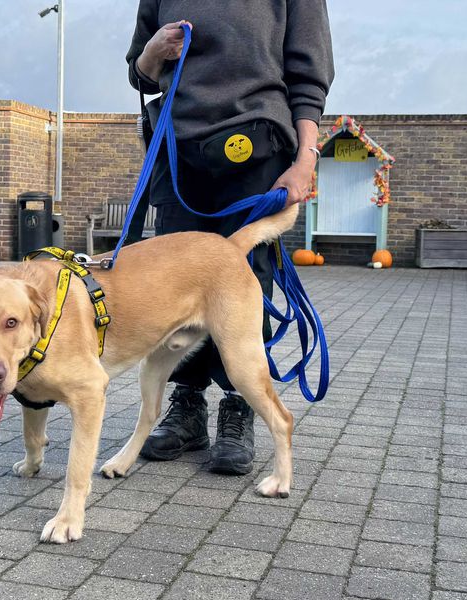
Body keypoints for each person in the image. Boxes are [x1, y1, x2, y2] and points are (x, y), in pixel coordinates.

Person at [126, 1, 334, 474]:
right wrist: (151, 55)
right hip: (177, 150)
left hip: (256, 144)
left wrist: (305, 159)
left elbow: (308, 78)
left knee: (245, 284)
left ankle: (239, 405)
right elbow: (139, 73)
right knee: (171, 287)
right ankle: (188, 405)